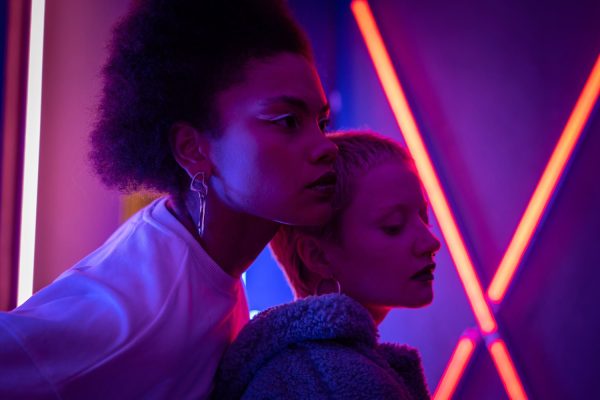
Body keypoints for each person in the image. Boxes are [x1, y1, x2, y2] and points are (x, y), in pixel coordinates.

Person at [0, 0, 338, 398]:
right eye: (287, 121)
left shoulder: (208, 261)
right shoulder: (140, 313)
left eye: (321, 123)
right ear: (193, 149)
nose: (326, 147)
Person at [212, 131, 441, 400]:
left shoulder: (308, 371)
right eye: (394, 226)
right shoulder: (332, 384)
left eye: (424, 218)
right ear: (317, 256)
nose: (431, 242)